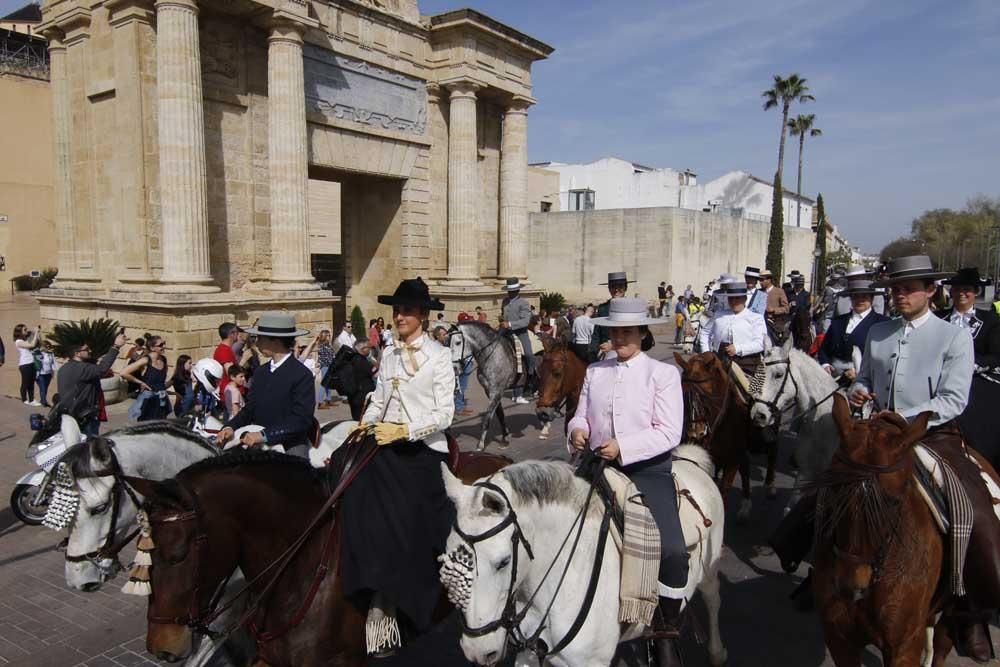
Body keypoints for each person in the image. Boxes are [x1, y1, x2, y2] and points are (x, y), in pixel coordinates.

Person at [849, 255, 1000, 660]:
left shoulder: (953, 337)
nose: (900, 295)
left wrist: (910, 420)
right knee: (831, 488)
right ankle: (821, 577)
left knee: (971, 509)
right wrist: (858, 392)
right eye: (895, 288)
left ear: (931, 291)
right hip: (879, 434)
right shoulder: (877, 333)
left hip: (933, 436)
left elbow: (953, 399)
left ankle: (970, 609)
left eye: (909, 288)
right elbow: (864, 380)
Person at [340, 277, 455, 657]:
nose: (399, 316)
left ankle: (392, 597)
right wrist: (366, 422)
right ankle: (355, 568)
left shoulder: (439, 356)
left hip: (421, 447)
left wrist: (406, 430)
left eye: (407, 310)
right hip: (384, 439)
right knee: (344, 472)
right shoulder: (388, 352)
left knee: (400, 508)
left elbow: (445, 413)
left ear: (422, 314)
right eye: (396, 310)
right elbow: (379, 396)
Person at [567, 297, 687, 657]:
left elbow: (669, 432)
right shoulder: (595, 371)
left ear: (643, 334)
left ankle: (666, 628)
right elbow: (581, 415)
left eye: (627, 332)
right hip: (597, 466)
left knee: (673, 550)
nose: (620, 338)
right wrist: (576, 431)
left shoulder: (663, 374)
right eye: (615, 332)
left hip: (644, 470)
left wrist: (624, 446)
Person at [215, 312, 316, 457]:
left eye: (260, 338)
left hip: (289, 441)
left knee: (297, 471)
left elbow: (301, 419)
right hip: (254, 436)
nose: (256, 342)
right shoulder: (261, 372)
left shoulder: (301, 374)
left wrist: (265, 435)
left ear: (275, 341)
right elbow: (250, 409)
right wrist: (230, 426)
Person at [936, 267, 1000, 464]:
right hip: (940, 377)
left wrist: (972, 365)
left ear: (975, 293)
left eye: (967, 290)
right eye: (957, 289)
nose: (962, 294)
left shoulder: (990, 319)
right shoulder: (939, 318)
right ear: (951, 292)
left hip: (976, 378)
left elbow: (996, 355)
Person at [818, 276, 889, 381]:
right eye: (856, 297)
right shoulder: (838, 321)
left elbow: (884, 357)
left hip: (865, 380)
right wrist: (825, 364)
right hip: (833, 378)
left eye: (864, 297)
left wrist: (858, 371)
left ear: (871, 298)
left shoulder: (881, 323)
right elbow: (824, 349)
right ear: (850, 298)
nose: (860, 300)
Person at [56, 332, 127, 436]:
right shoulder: (81, 368)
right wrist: (116, 347)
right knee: (88, 445)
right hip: (84, 417)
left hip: (72, 414)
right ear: (77, 353)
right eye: (86, 349)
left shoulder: (65, 367)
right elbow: (102, 370)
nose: (90, 351)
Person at [698, 281, 768, 375]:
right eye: (731, 298)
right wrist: (706, 352)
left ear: (744, 299)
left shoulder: (756, 318)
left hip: (745, 362)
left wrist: (738, 348)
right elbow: (705, 332)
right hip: (719, 359)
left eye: (737, 298)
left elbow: (760, 343)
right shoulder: (719, 314)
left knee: (746, 387)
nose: (734, 301)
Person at [590, 271, 654, 361]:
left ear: (625, 288)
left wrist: (613, 346)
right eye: (613, 287)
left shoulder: (633, 306)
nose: (616, 290)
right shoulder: (603, 308)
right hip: (605, 353)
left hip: (628, 352)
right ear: (609, 289)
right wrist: (592, 352)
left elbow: (638, 334)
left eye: (620, 286)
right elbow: (597, 333)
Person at [500, 277, 535, 404]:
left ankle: (531, 375)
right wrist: (502, 322)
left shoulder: (524, 303)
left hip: (520, 333)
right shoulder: (504, 301)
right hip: (506, 331)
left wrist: (509, 324)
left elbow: (525, 321)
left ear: (517, 291)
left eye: (513, 290)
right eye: (509, 290)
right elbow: (503, 315)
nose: (511, 293)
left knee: (529, 354)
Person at [121, 335, 171, 421]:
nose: (164, 346)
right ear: (152, 348)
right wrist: (140, 382)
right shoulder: (146, 360)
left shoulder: (163, 359)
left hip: (161, 398)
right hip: (148, 398)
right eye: (161, 345)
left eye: (164, 343)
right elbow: (124, 373)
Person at [14, 324, 41, 405]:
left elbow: (37, 343)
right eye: (24, 330)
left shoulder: (26, 339)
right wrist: (35, 333)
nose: (26, 331)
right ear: (19, 332)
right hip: (25, 364)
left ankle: (32, 399)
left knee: (31, 382)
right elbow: (31, 345)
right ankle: (24, 400)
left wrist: (37, 333)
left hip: (31, 363)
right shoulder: (18, 342)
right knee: (25, 382)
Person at [213, 322, 242, 398]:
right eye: (237, 332)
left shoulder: (225, 349)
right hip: (229, 395)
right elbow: (232, 374)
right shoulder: (224, 351)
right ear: (231, 334)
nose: (239, 334)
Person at [761, 268, 790, 337]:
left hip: (775, 325)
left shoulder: (779, 291)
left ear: (769, 280)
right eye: (759, 280)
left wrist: (774, 310)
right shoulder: (759, 292)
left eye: (762, 280)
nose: (760, 282)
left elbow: (786, 308)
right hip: (760, 324)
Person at [316, 328, 337, 409]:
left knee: (328, 383)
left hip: (329, 366)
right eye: (328, 335)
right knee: (324, 384)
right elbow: (324, 359)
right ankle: (320, 402)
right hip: (325, 366)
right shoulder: (322, 346)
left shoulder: (328, 345)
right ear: (324, 336)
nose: (329, 337)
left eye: (329, 335)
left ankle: (328, 400)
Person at [35, 341, 56, 407]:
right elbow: (37, 362)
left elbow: (53, 363)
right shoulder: (39, 353)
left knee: (45, 388)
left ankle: (43, 400)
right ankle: (44, 402)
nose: (48, 348)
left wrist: (53, 372)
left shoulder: (51, 354)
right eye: (46, 346)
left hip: (48, 374)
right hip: (41, 374)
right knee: (43, 388)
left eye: (49, 346)